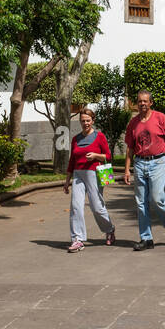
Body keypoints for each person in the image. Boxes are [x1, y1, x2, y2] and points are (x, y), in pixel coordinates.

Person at [123, 90, 165, 251]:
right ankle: (146, 239)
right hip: (139, 163)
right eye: (140, 101)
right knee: (141, 203)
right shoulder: (133, 123)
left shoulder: (160, 118)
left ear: (151, 103)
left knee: (157, 198)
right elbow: (130, 148)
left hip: (157, 162)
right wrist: (127, 169)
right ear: (136, 103)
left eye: (145, 101)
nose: (142, 104)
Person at [64, 107, 116, 253]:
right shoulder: (76, 139)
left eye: (88, 120)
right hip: (78, 175)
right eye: (83, 121)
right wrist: (67, 181)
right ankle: (78, 239)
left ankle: (110, 229)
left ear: (93, 121)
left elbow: (108, 156)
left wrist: (95, 156)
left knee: (97, 207)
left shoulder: (100, 136)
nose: (85, 123)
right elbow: (71, 161)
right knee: (75, 206)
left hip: (94, 173)